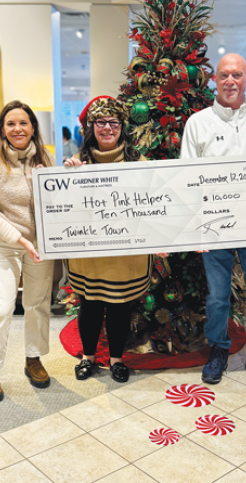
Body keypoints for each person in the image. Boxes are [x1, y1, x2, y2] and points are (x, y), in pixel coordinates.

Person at [180, 53, 246, 387]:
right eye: (224, 75)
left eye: (236, 75)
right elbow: (187, 175)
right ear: (215, 79)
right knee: (217, 296)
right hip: (214, 226)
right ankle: (219, 349)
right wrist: (195, 229)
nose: (230, 81)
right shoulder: (198, 122)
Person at [64, 96, 154, 383]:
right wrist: (67, 178)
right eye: (101, 122)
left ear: (121, 127)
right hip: (89, 253)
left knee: (119, 306)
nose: (107, 128)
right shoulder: (77, 164)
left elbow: (152, 204)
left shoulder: (138, 162)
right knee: (89, 304)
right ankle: (88, 358)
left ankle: (116, 360)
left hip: (125, 253)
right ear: (92, 127)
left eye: (113, 122)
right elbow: (63, 206)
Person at [0, 100, 55, 402]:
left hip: (39, 246)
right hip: (4, 246)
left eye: (23, 123)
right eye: (11, 123)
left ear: (33, 127)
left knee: (37, 304)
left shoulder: (43, 159)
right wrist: (21, 240)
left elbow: (56, 198)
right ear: (2, 129)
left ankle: (33, 359)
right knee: (3, 306)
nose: (18, 128)